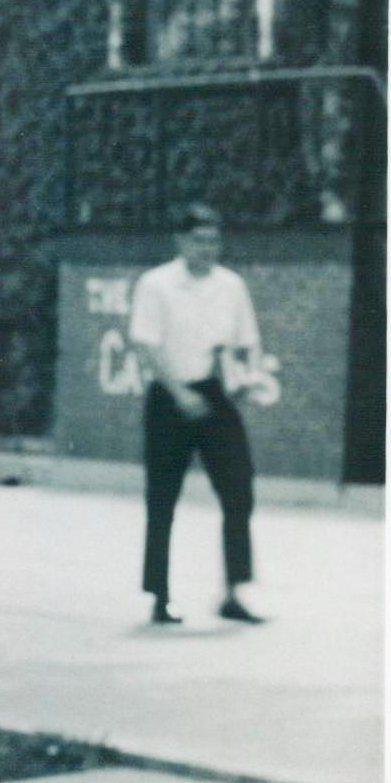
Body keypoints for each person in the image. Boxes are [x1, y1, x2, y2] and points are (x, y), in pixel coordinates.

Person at [127, 203, 266, 626]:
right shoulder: (157, 284)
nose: (207, 249)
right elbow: (145, 345)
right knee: (163, 498)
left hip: (214, 393)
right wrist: (179, 392)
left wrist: (244, 379)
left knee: (239, 489)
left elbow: (245, 342)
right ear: (181, 241)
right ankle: (160, 597)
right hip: (170, 395)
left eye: (213, 240)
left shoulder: (231, 286)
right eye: (198, 240)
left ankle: (233, 593)